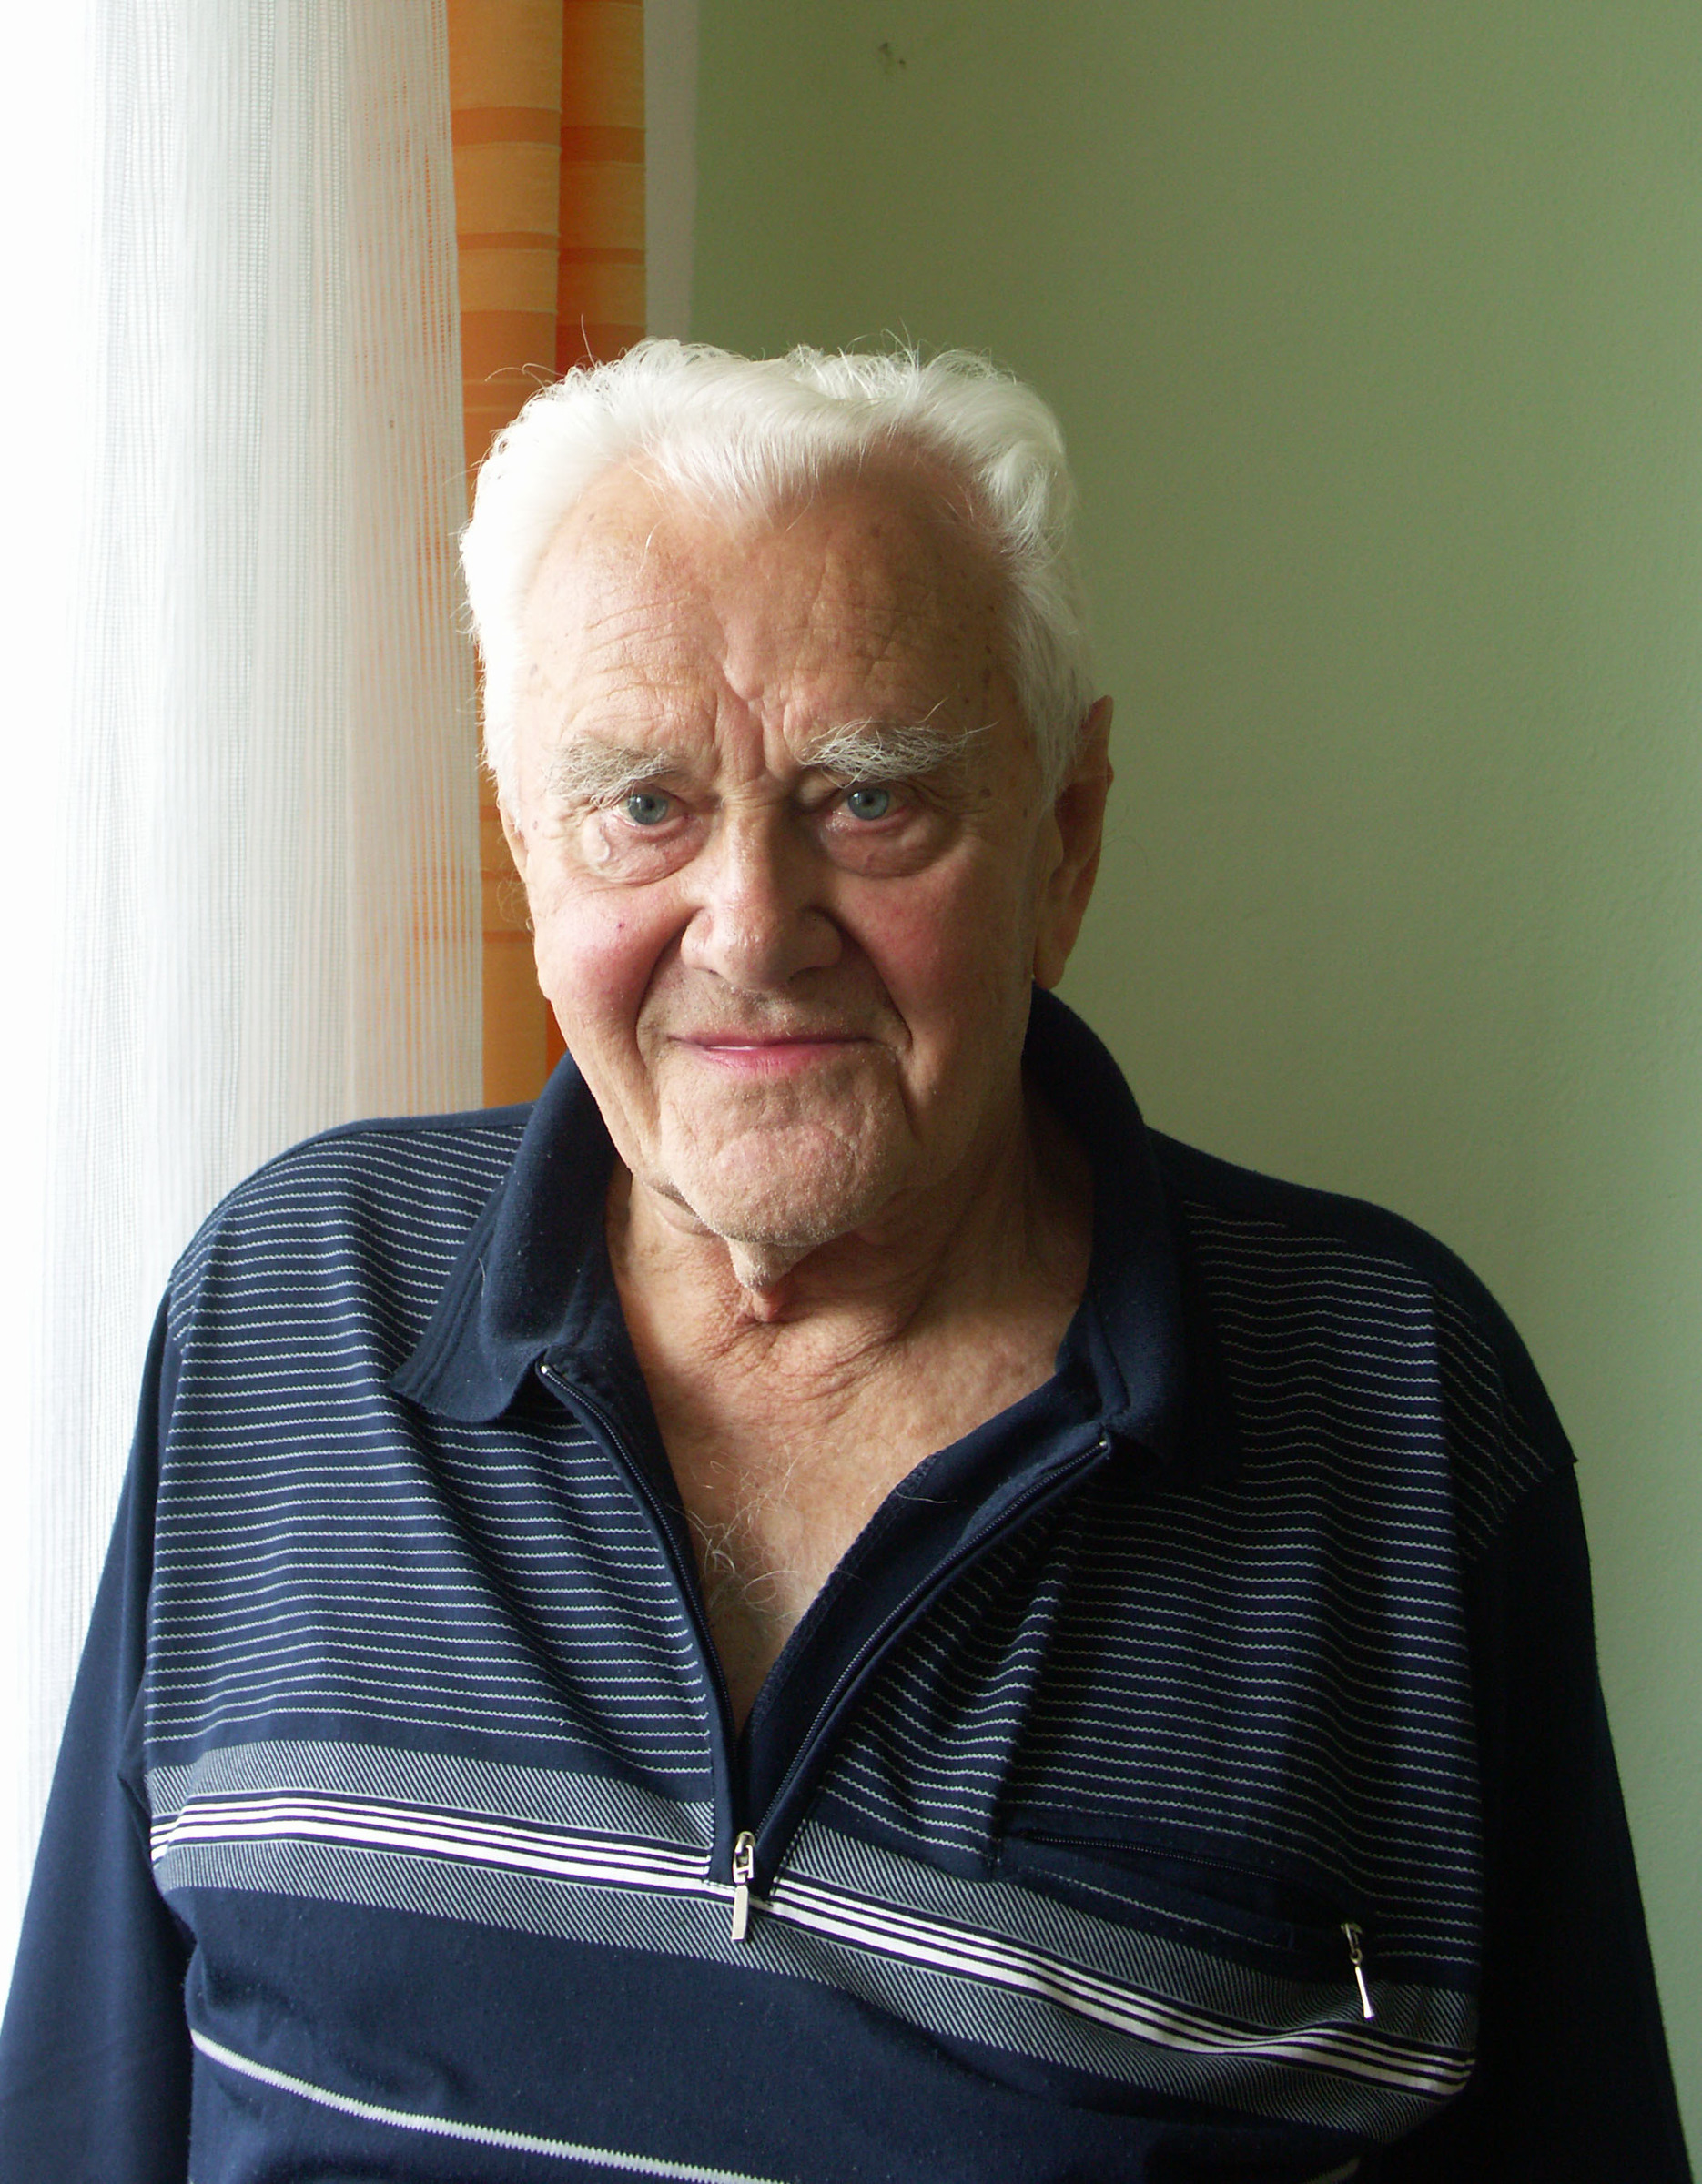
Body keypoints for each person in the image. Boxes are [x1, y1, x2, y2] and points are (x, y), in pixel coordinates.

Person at [0, 342, 1688, 2184]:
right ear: (527, 846)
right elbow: (84, 2110)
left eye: (868, 798)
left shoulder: (1397, 1412)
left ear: (1064, 837)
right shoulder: (285, 1303)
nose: (750, 928)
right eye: (643, 806)